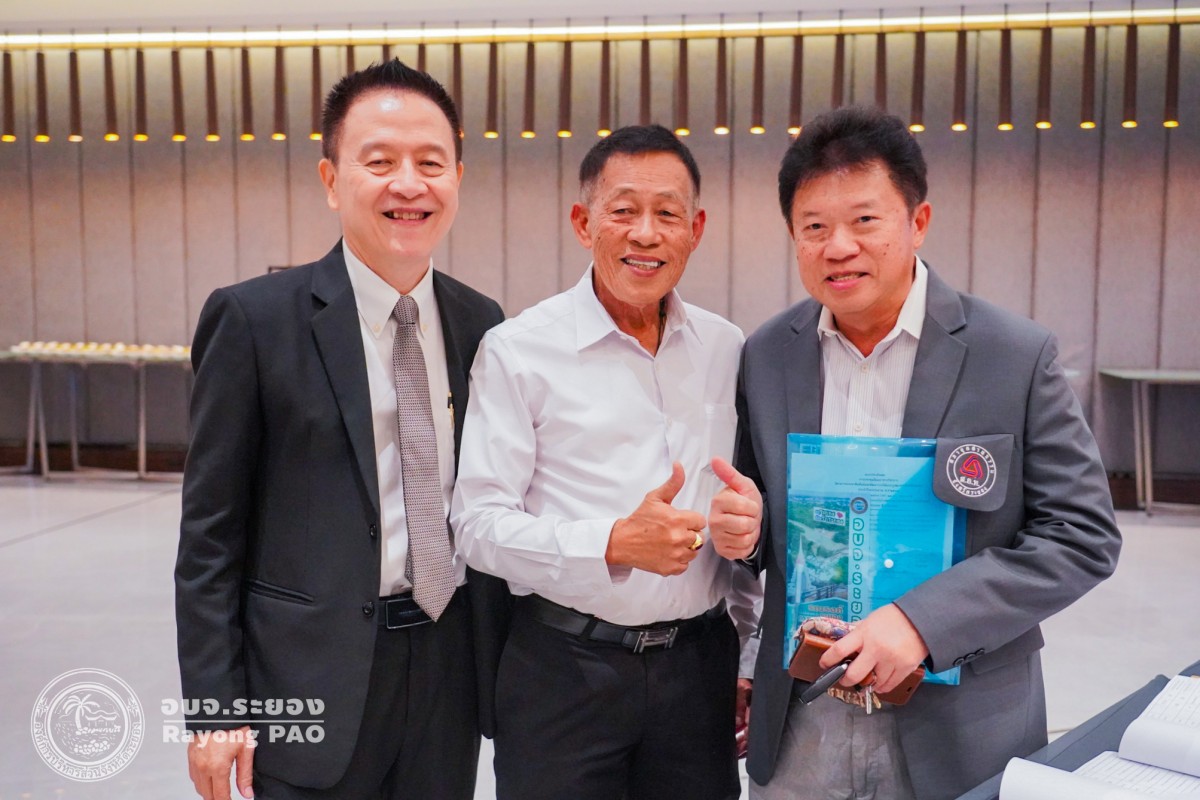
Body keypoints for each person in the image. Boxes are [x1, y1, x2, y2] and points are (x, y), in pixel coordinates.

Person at [707, 106, 1122, 800]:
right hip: (806, 717)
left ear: (917, 222)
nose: (839, 246)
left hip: (960, 726)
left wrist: (921, 624)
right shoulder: (769, 354)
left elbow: (1081, 536)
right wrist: (744, 532)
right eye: (814, 227)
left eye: (865, 220)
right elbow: (767, 523)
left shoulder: (1012, 355)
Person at [175, 59, 507, 800]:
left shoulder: (482, 323)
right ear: (331, 180)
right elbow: (208, 538)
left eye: (431, 163)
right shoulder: (254, 320)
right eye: (379, 162)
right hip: (308, 672)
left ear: (458, 178)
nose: (408, 185)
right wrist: (215, 710)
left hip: (449, 669)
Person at [450, 124, 759, 800]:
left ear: (695, 229)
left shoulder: (727, 348)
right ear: (583, 222)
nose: (645, 234)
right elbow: (475, 525)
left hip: (699, 668)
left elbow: (742, 510)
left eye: (667, 213)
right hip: (564, 671)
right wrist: (613, 542)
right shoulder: (518, 350)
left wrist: (749, 649)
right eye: (623, 210)